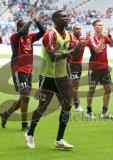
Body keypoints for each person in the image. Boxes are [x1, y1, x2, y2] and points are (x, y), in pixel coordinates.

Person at [25, 10, 86, 149]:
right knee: (43, 106)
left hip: (62, 75)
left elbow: (73, 53)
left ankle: (59, 139)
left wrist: (80, 47)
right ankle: (29, 133)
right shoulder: (50, 34)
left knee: (67, 105)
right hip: (47, 75)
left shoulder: (69, 35)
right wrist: (72, 51)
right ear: (55, 19)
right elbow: (53, 58)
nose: (67, 17)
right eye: (63, 16)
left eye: (67, 15)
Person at [0, 9, 45, 131]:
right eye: (24, 26)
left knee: (25, 98)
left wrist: (36, 20)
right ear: (19, 27)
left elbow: (43, 32)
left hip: (28, 70)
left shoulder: (30, 37)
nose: (28, 29)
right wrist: (30, 20)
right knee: (25, 97)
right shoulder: (15, 37)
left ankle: (6, 114)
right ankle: (24, 125)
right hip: (18, 70)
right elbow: (23, 30)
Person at [86, 20, 113, 119]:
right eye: (99, 25)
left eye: (101, 25)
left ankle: (105, 112)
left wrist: (110, 36)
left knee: (108, 89)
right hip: (94, 69)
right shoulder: (90, 38)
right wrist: (103, 39)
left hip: (104, 68)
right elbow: (97, 50)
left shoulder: (105, 37)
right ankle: (89, 111)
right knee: (92, 89)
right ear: (94, 26)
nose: (100, 27)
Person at [67, 24, 88, 112]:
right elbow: (70, 52)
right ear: (73, 30)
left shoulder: (82, 38)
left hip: (79, 64)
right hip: (71, 64)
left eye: (79, 29)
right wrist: (79, 46)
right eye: (76, 29)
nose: (78, 30)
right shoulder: (70, 38)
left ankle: (64, 102)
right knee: (75, 85)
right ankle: (76, 105)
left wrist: (86, 38)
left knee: (73, 86)